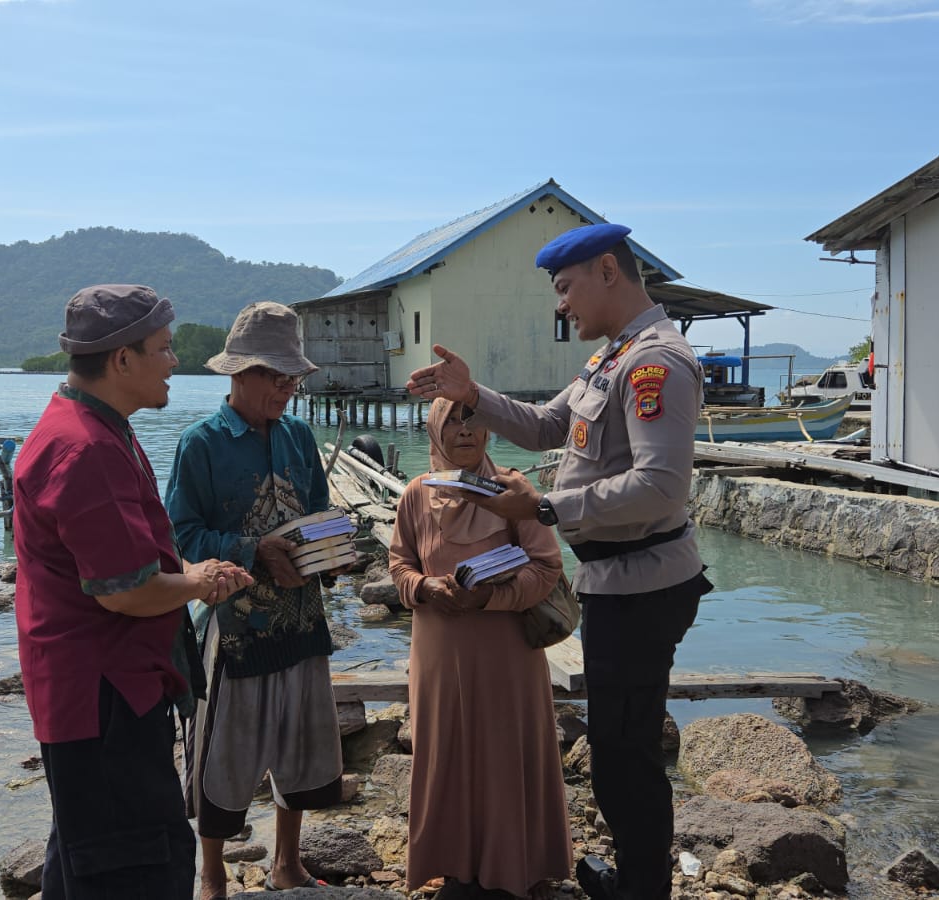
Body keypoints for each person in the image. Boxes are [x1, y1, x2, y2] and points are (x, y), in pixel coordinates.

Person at [405, 224, 713, 900]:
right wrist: (474, 393)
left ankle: (641, 890)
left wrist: (543, 510)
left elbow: (662, 486)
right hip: (614, 579)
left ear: (609, 271)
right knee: (616, 749)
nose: (560, 305)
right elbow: (547, 426)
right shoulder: (613, 357)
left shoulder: (655, 362)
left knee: (626, 754)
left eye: (566, 288)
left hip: (643, 583)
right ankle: (635, 876)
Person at [13, 283, 253, 899]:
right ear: (122, 359)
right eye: (165, 348)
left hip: (95, 689)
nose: (177, 360)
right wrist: (200, 582)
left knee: (86, 855)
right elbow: (125, 592)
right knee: (137, 865)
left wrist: (190, 574)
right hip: (104, 695)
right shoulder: (85, 447)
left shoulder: (93, 425)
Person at [164, 301, 345, 900]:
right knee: (225, 752)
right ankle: (211, 874)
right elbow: (181, 536)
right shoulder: (202, 445)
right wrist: (251, 549)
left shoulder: (298, 435)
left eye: (292, 376)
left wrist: (333, 552)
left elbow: (317, 514)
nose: (288, 388)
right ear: (238, 375)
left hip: (302, 619)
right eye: (275, 375)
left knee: (299, 742)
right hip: (235, 625)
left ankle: (287, 862)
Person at [387, 397, 572, 900]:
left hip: (506, 650)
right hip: (440, 652)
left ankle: (515, 867)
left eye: (473, 421)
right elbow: (399, 565)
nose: (464, 432)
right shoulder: (415, 495)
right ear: (434, 432)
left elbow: (546, 566)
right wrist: (426, 589)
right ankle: (454, 867)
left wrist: (492, 596)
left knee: (504, 751)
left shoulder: (513, 491)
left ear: (489, 431)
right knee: (445, 750)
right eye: (452, 422)